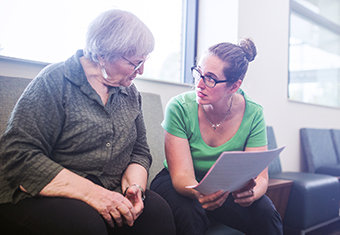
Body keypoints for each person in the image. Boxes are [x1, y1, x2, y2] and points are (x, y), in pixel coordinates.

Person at [0, 9, 175, 235]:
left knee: (157, 213)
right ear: (104, 54)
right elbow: (20, 155)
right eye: (135, 62)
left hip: (110, 189)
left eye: (144, 61)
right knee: (85, 224)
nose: (140, 71)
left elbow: (140, 151)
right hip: (43, 193)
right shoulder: (55, 81)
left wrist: (136, 189)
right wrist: (95, 195)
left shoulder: (130, 93)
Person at [150, 38, 283, 235]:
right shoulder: (179, 107)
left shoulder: (253, 113)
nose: (199, 84)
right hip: (179, 183)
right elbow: (181, 176)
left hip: (223, 188)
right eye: (199, 73)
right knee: (190, 212)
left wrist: (251, 194)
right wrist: (202, 193)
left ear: (233, 86)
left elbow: (261, 177)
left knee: (266, 213)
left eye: (210, 78)